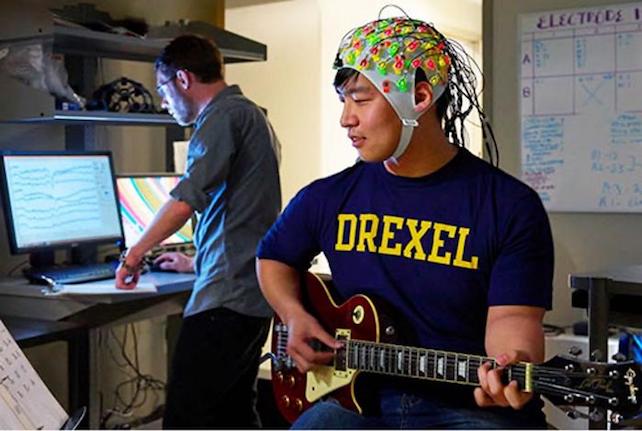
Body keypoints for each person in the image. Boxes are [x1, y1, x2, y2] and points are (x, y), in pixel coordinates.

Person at [256, 13, 553, 430]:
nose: (346, 118)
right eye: (343, 100)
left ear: (420, 96)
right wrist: (293, 315)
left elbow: (512, 325)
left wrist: (511, 369)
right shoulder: (327, 197)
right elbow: (272, 257)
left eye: (361, 99)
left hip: (468, 409)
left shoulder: (509, 206)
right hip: (357, 403)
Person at [115, 34, 282, 428]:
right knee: (234, 414)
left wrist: (134, 254)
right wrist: (195, 262)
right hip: (248, 291)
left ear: (183, 79)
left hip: (227, 300)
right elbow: (243, 215)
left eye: (162, 89)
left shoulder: (221, 117)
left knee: (187, 419)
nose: (163, 101)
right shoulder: (252, 115)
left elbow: (187, 198)